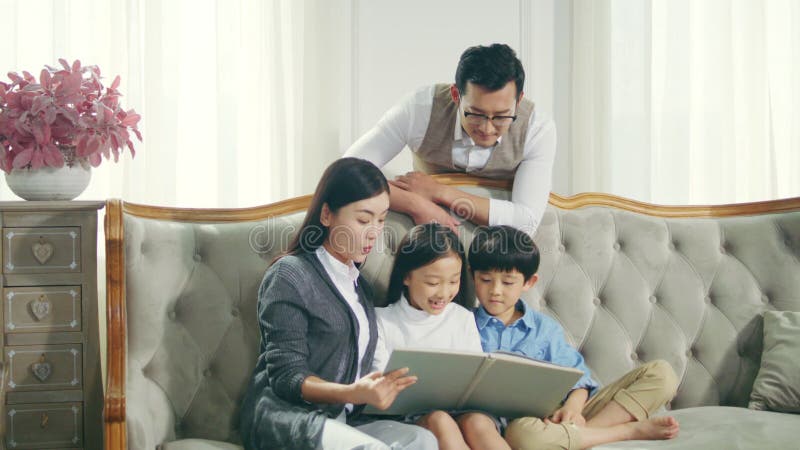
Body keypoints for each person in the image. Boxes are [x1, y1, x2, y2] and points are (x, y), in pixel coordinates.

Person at [239, 157, 437, 450]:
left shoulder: (360, 288)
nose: (374, 231)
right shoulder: (290, 274)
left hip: (341, 421)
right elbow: (287, 377)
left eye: (381, 219)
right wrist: (352, 393)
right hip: (287, 420)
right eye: (363, 219)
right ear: (327, 214)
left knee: (421, 439)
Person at [468, 225, 681, 450]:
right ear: (473, 276)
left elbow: (579, 379)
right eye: (486, 280)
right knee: (526, 438)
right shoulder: (462, 324)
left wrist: (573, 408)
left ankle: (582, 435)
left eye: (508, 282)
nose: (496, 291)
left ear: (529, 282)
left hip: (564, 414)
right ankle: (624, 432)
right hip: (522, 427)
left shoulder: (543, 329)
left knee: (662, 374)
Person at [344, 43, 556, 235]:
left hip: (501, 255)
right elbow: (347, 171)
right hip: (428, 241)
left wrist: (438, 192)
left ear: (518, 100)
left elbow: (526, 222)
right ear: (456, 96)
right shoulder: (420, 110)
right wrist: (416, 204)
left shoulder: (538, 129)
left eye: (501, 117)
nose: (487, 128)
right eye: (475, 114)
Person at [373, 223, 509, 450]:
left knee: (478, 423)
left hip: (461, 411)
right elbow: (377, 382)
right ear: (406, 276)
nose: (444, 293)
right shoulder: (382, 321)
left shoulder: (462, 318)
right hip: (408, 416)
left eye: (454, 281)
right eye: (433, 283)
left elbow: (474, 378)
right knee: (440, 420)